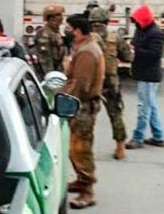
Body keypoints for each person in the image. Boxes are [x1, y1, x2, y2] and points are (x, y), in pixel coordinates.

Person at [61, 14, 105, 209]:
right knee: (74, 147)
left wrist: (63, 101)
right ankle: (81, 180)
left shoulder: (87, 52)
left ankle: (87, 190)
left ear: (77, 31)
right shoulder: (83, 47)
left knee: (80, 149)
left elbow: (81, 86)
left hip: (82, 107)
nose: (67, 32)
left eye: (69, 28)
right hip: (81, 105)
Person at [89, 8, 133, 160]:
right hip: (111, 82)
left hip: (91, 81)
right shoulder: (116, 38)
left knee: (88, 115)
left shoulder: (85, 37)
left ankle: (85, 148)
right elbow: (128, 57)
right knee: (115, 114)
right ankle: (120, 148)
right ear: (107, 21)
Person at [125, 5, 164, 150]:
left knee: (144, 107)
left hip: (149, 75)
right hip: (144, 73)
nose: (135, 23)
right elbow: (136, 43)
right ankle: (158, 136)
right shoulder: (141, 29)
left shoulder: (155, 33)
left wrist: (136, 51)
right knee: (151, 106)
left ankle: (138, 138)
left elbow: (155, 54)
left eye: (137, 20)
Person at [30, 5, 65, 76]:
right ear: (51, 19)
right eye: (59, 17)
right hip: (49, 73)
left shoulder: (55, 32)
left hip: (57, 70)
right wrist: (51, 77)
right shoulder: (44, 34)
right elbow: (45, 59)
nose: (61, 20)